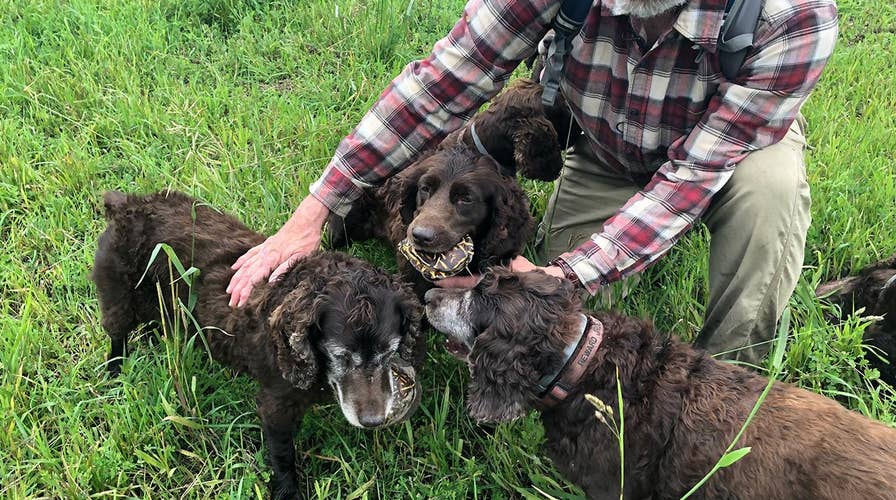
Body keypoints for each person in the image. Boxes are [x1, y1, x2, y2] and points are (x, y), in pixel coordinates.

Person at [227, 0, 838, 366]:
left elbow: (689, 179)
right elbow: (443, 81)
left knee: (769, 194)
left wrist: (567, 275)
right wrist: (316, 210)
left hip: (733, 154)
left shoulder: (793, 18)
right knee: (555, 330)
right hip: (606, 148)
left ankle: (733, 376)